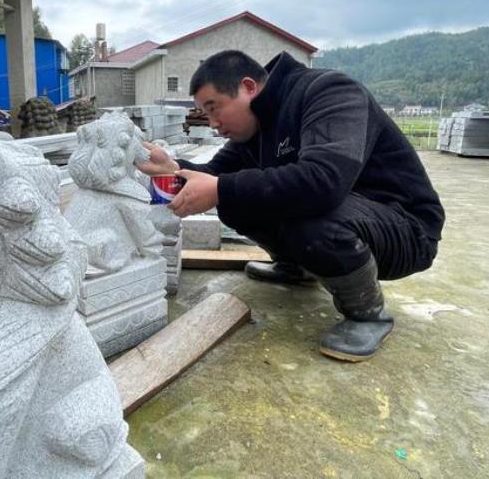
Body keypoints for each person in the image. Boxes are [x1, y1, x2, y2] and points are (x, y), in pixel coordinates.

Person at [138, 50, 445, 362]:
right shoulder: (255, 127)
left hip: (405, 228)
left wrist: (221, 188)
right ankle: (296, 267)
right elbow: (216, 176)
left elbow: (325, 181)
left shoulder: (329, 92)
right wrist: (173, 168)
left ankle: (368, 314)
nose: (214, 124)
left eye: (214, 108)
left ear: (248, 87)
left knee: (307, 215)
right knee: (236, 202)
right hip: (350, 214)